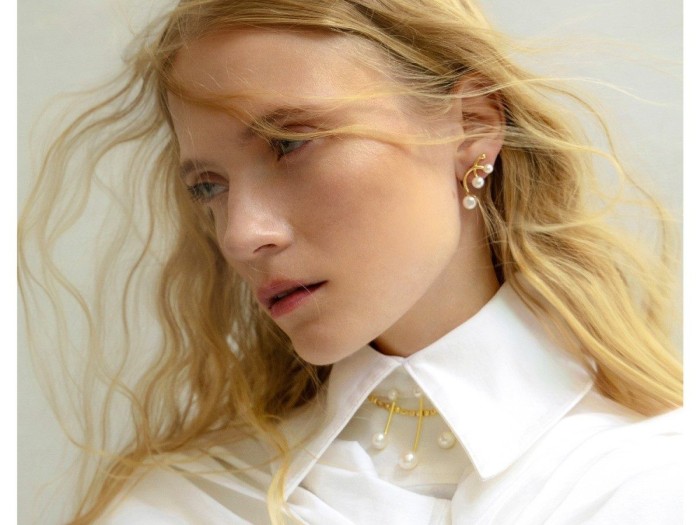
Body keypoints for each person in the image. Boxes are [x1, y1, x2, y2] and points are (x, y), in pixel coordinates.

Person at [18, 0, 683, 523]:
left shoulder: (656, 483)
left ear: (472, 126)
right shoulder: (183, 501)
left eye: (289, 143)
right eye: (208, 187)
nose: (240, 236)